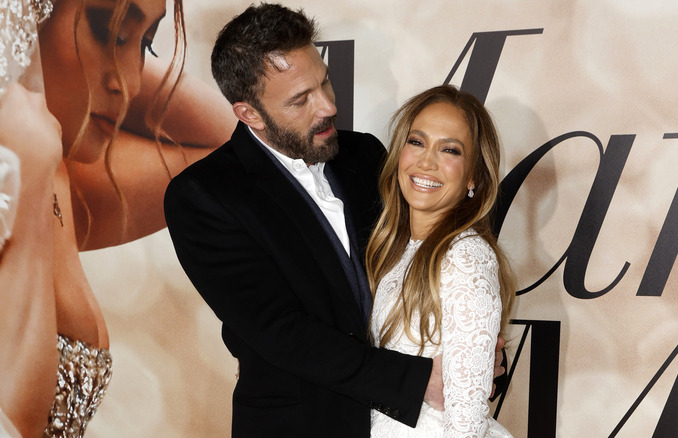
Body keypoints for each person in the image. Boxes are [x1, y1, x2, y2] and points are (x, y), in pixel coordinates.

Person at [164, 4, 484, 436]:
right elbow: (280, 331)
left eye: (325, 81)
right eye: (301, 100)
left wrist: (473, 353)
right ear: (249, 113)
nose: (329, 106)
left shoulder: (365, 155)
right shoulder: (203, 196)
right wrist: (416, 380)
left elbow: (428, 261)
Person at [0, 0, 233, 435]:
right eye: (110, 33)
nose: (126, 83)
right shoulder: (22, 161)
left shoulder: (59, 172)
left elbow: (234, 153)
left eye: (145, 44)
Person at [366, 85, 515, 437]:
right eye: (416, 142)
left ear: (474, 176)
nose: (426, 162)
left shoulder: (466, 255)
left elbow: (466, 419)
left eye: (449, 149)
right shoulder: (393, 247)